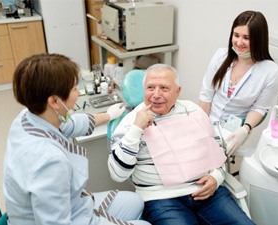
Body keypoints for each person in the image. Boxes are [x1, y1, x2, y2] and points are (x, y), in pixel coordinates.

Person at [3, 53, 151, 225]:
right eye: (74, 88)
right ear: (54, 101)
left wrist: (109, 115)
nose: (77, 93)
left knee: (136, 202)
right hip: (63, 219)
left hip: (71, 204)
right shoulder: (48, 160)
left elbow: (71, 123)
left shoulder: (29, 116)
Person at [108, 64, 255, 225]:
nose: (156, 95)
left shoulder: (193, 111)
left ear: (177, 92)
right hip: (161, 198)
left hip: (207, 192)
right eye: (150, 87)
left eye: (164, 88)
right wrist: (136, 130)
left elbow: (216, 151)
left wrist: (217, 177)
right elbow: (118, 174)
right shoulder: (130, 123)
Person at [199, 10, 278, 155]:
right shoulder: (220, 56)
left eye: (246, 38)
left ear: (259, 40)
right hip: (207, 119)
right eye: (236, 35)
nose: (239, 42)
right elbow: (206, 94)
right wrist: (201, 125)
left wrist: (245, 129)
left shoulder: (271, 71)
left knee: (212, 161)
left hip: (235, 130)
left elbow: (259, 108)